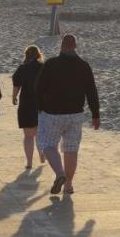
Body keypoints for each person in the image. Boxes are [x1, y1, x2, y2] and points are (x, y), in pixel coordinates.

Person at [35, 33, 100, 195]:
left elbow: (39, 88)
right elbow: (91, 91)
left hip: (52, 113)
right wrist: (95, 114)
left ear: (62, 46)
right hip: (75, 114)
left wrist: (40, 107)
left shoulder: (51, 64)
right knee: (71, 149)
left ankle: (60, 174)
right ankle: (69, 185)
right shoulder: (84, 66)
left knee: (48, 145)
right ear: (75, 46)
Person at [11, 45, 44, 169]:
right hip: (41, 104)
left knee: (28, 135)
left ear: (26, 55)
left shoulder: (22, 68)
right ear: (38, 55)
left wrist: (14, 96)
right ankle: (41, 154)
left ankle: (29, 162)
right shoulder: (43, 67)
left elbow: (17, 84)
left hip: (26, 103)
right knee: (40, 133)